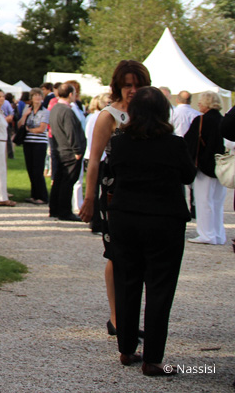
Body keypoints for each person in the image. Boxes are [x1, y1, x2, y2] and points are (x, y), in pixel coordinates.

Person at [108, 87, 197, 377]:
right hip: (164, 219)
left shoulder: (120, 142)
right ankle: (153, 358)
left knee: (127, 282)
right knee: (160, 287)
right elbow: (188, 175)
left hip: (126, 217)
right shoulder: (174, 144)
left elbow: (114, 172)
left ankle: (126, 347)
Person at [79, 59, 151, 338]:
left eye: (138, 85)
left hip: (145, 191)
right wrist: (88, 198)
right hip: (115, 191)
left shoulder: (150, 114)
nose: (132, 91)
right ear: (118, 86)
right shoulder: (108, 116)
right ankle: (116, 316)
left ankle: (131, 315)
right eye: (127, 85)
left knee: (141, 257)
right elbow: (94, 160)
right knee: (116, 254)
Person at [184, 91, 227, 245]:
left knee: (203, 201)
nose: (199, 103)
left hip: (204, 166)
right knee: (217, 202)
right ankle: (218, 234)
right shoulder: (223, 120)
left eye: (201, 101)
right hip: (221, 167)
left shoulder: (201, 120)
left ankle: (206, 234)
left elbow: (189, 141)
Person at [49, 83, 86, 221]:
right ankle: (64, 211)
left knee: (59, 180)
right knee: (67, 181)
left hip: (60, 148)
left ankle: (54, 208)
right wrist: (77, 150)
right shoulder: (66, 111)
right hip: (69, 151)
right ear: (70, 94)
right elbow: (71, 132)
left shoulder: (55, 108)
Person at [18, 88, 50, 206]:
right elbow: (20, 124)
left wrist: (29, 130)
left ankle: (42, 196)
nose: (37, 98)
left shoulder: (45, 112)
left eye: (39, 95)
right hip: (28, 142)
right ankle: (34, 194)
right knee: (30, 169)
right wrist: (25, 115)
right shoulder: (28, 110)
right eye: (35, 95)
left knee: (38, 170)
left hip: (39, 143)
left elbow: (42, 128)